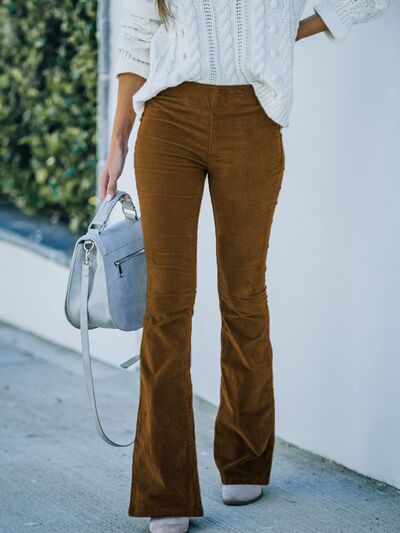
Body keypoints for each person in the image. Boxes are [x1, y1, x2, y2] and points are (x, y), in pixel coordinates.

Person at [99, 1, 395, 531]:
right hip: (169, 119)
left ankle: (244, 458)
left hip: (253, 120)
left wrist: (284, 30)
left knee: (243, 296)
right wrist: (118, 141)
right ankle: (166, 491)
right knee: (167, 307)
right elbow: (136, 38)